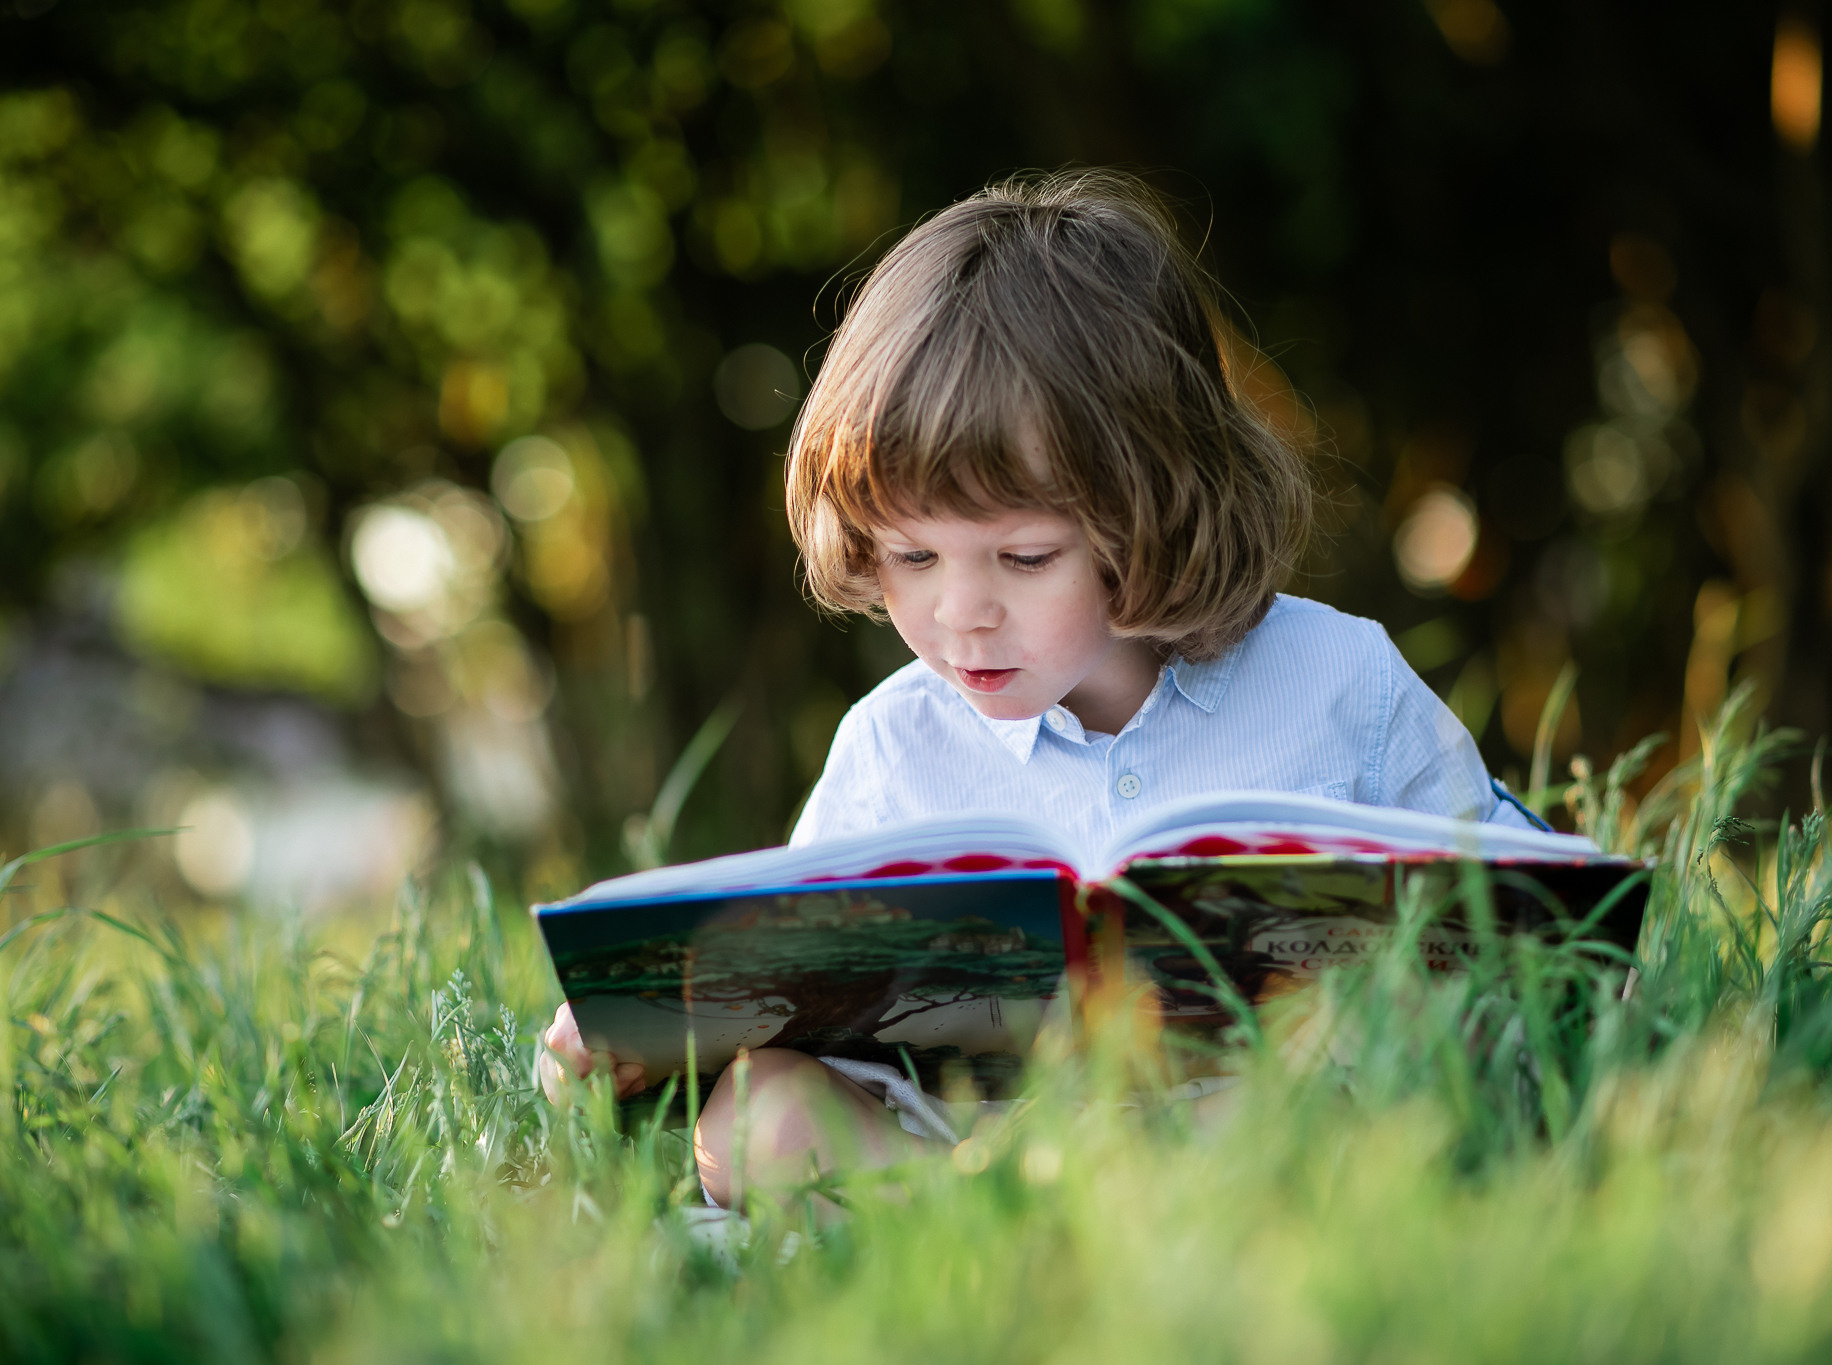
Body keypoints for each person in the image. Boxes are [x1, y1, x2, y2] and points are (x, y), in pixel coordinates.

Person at [541, 169, 1540, 1210]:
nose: (959, 612)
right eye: (912, 557)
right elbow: (799, 1008)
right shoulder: (889, 748)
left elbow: (1514, 939)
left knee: (1385, 1057)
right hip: (967, 1135)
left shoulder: (1342, 681)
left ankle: (1080, 1201)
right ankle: (1011, 1200)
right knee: (757, 1115)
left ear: (1153, 505)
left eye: (1021, 558)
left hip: (1257, 1109)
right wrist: (646, 1035)